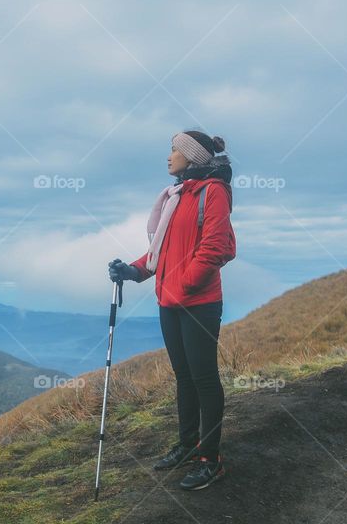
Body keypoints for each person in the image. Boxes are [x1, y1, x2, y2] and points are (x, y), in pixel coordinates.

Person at [108, 129, 236, 491]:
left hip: (199, 303)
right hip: (170, 302)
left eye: (174, 150)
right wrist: (132, 271)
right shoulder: (175, 195)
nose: (169, 156)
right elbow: (161, 252)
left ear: (192, 156)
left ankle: (210, 460)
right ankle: (188, 445)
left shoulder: (213, 192)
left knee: (204, 379)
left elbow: (215, 246)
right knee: (184, 376)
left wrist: (184, 285)